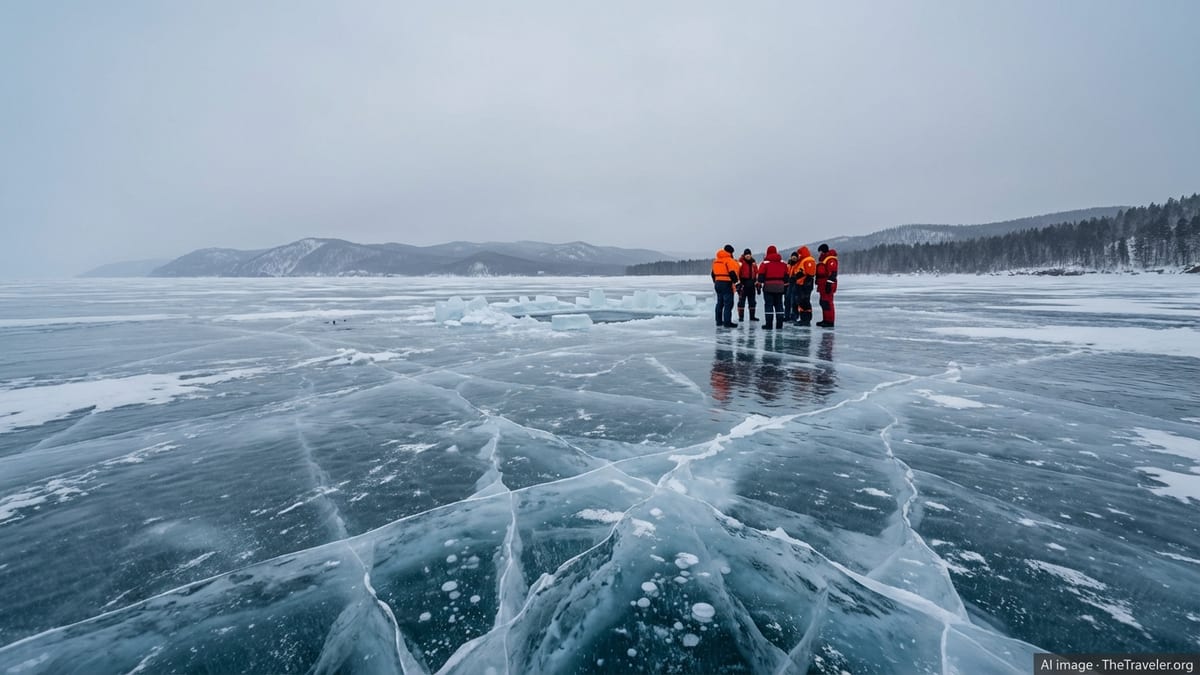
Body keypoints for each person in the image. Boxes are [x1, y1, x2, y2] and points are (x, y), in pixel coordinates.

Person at [756, 245, 789, 329]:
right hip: (780, 287)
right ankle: (779, 324)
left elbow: (760, 277)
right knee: (779, 305)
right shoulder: (783, 263)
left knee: (768, 305)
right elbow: (786, 277)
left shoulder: (764, 263)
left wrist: (759, 286)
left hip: (768, 286)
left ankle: (769, 324)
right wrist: (785, 287)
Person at [711, 244, 740, 327]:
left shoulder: (716, 261)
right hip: (726, 283)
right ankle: (727, 322)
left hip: (717, 283)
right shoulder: (729, 260)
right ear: (730, 252)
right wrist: (737, 283)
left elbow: (712, 274)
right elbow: (732, 273)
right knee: (728, 303)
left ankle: (719, 321)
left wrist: (716, 281)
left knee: (719, 303)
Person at [815, 243, 838, 327]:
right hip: (822, 285)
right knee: (823, 302)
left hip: (827, 285)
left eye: (820, 252)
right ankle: (825, 319)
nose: (820, 253)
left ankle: (830, 321)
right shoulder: (824, 260)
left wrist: (829, 283)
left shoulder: (830, 260)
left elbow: (833, 273)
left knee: (828, 303)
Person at [793, 246, 817, 326]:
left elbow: (810, 273)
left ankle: (806, 319)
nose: (798, 255)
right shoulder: (802, 260)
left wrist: (805, 282)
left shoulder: (808, 260)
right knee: (801, 301)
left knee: (805, 301)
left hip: (805, 284)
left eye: (799, 253)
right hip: (800, 284)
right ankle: (803, 318)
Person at [735, 249, 759, 323]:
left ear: (751, 255)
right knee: (741, 302)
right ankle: (741, 317)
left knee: (752, 302)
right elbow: (737, 273)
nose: (748, 256)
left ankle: (752, 317)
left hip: (752, 285)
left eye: (749, 254)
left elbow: (756, 273)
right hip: (743, 285)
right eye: (746, 255)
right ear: (744, 255)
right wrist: (738, 284)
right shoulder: (740, 263)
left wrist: (757, 285)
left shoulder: (753, 263)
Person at [783, 251, 801, 321]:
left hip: (796, 284)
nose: (794, 258)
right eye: (792, 257)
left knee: (794, 301)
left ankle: (794, 316)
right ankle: (786, 316)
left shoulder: (798, 265)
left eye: (795, 257)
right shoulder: (788, 265)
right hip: (788, 284)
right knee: (787, 301)